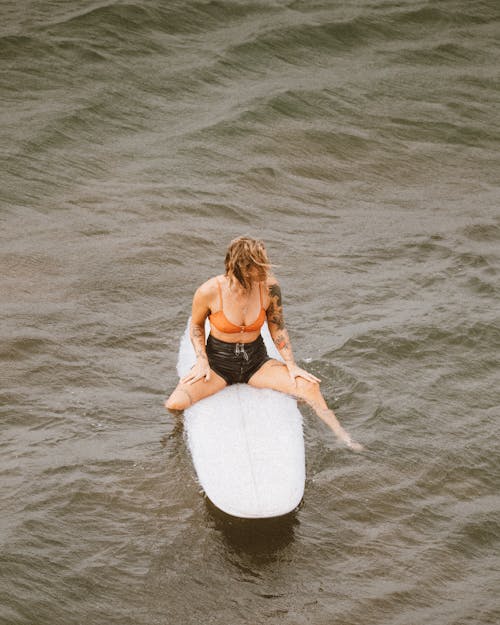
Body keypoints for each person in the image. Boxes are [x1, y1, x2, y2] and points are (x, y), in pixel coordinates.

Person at [165, 236, 363, 451]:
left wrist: (291, 365)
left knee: (309, 386)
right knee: (175, 403)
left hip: (256, 362)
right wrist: (202, 362)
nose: (266, 269)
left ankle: (341, 436)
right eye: (260, 265)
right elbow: (196, 327)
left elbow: (277, 326)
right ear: (243, 266)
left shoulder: (269, 287)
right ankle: (183, 433)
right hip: (218, 364)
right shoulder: (209, 291)